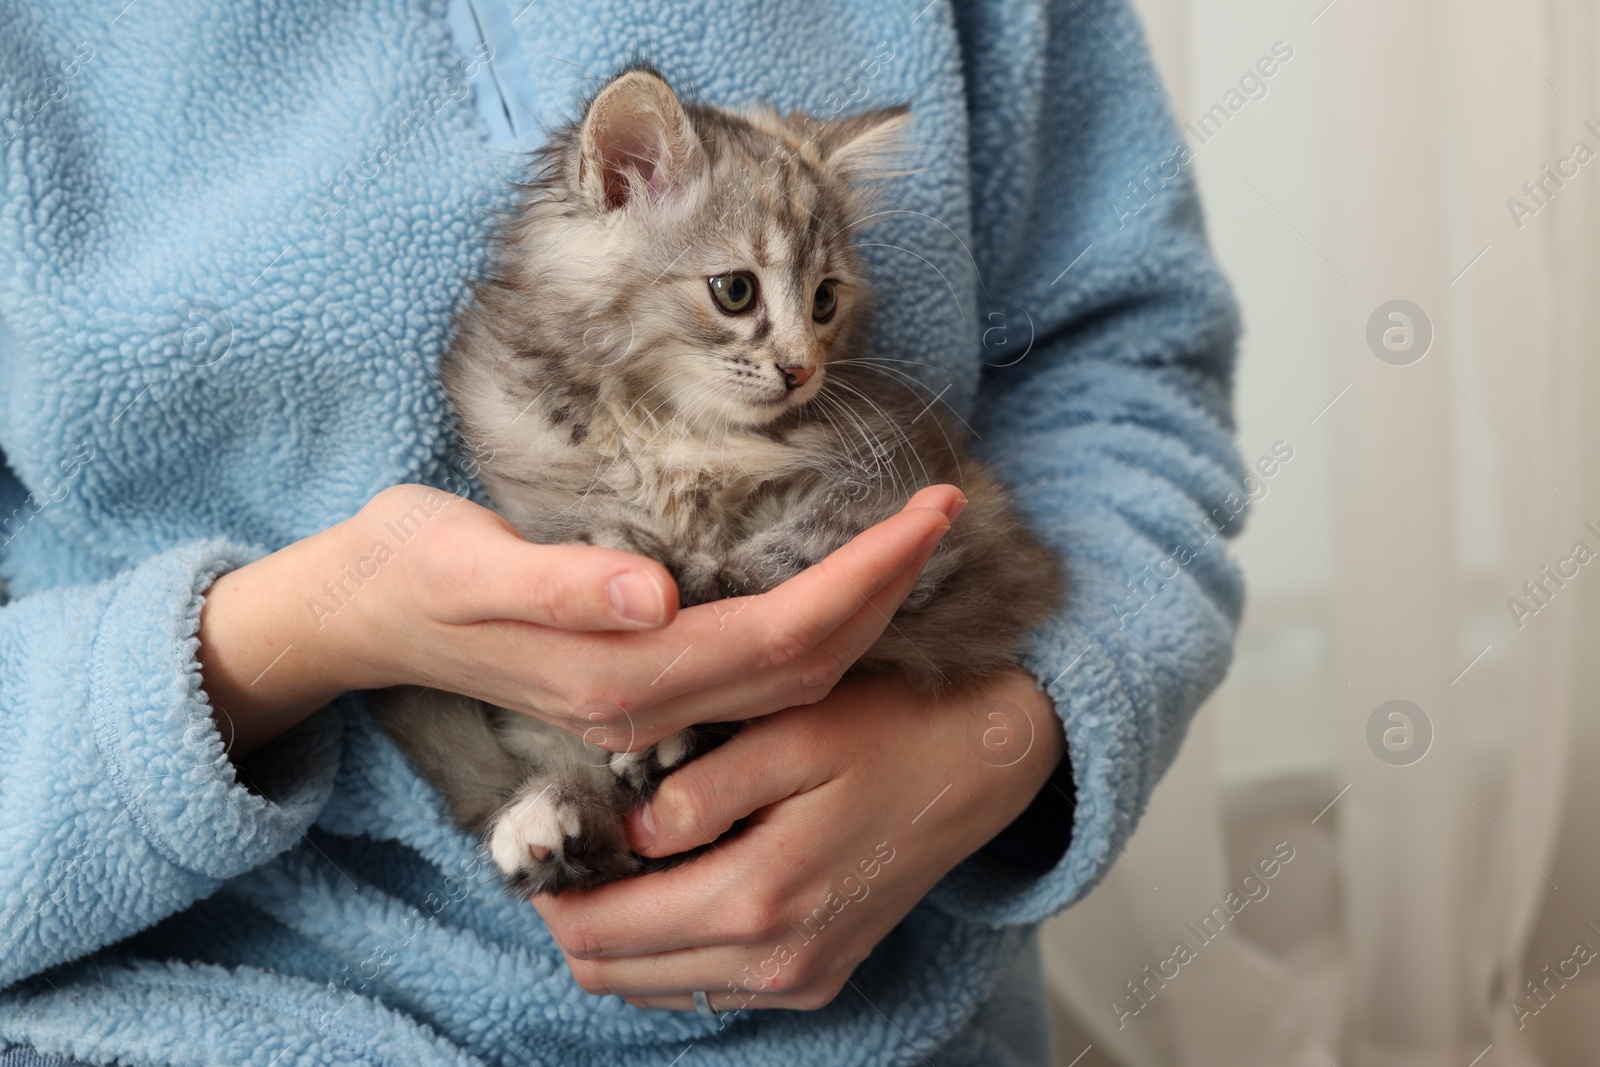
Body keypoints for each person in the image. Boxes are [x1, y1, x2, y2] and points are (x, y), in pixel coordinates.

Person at [0, 0, 1244, 1064]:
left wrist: (1003, 734)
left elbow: (1122, 361)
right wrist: (304, 630)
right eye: (748, 300)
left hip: (882, 1012)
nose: (803, 357)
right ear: (610, 184)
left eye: (819, 306)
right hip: (200, 1010)